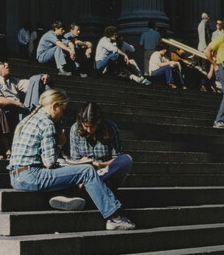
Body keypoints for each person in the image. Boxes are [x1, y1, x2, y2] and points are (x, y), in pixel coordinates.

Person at [8, 88, 135, 230]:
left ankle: (66, 197)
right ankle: (114, 218)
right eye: (62, 110)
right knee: (86, 170)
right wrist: (60, 144)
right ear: (54, 105)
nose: (62, 114)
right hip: (32, 175)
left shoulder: (27, 119)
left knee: (72, 169)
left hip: (16, 177)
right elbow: (49, 162)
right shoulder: (47, 124)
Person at [69, 102, 133, 191]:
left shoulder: (111, 127)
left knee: (126, 160)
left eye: (93, 126)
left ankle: (91, 186)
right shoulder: (75, 129)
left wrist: (100, 165)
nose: (89, 130)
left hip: (105, 172)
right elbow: (74, 160)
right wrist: (82, 162)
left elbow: (117, 158)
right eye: (86, 126)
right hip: (84, 172)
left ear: (99, 122)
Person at [0, 59, 49, 130]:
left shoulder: (11, 80)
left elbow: (30, 85)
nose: (6, 64)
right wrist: (17, 103)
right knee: (36, 80)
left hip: (19, 110)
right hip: (7, 112)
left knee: (39, 81)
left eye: (6, 62)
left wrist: (42, 77)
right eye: (2, 63)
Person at [204, 28, 224, 128]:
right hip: (222, 67)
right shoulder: (221, 37)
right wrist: (214, 64)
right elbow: (207, 50)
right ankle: (219, 120)